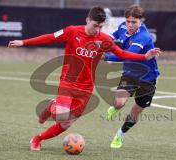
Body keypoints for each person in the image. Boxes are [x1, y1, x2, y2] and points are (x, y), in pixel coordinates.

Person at [8, 6, 161, 151]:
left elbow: (122, 54)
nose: (98, 30)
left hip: (86, 87)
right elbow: (50, 37)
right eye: (95, 26)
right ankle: (51, 107)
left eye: (101, 27)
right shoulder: (72, 31)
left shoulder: (104, 39)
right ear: (87, 20)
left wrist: (144, 56)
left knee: (67, 123)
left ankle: (37, 139)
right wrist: (24, 42)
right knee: (61, 116)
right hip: (68, 81)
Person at [104, 5, 160, 149]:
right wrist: (98, 42)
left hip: (148, 78)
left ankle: (120, 134)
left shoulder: (143, 36)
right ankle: (115, 108)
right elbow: (109, 37)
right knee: (118, 103)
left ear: (142, 21)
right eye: (128, 21)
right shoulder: (123, 26)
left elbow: (127, 55)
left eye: (134, 22)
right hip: (130, 74)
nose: (130, 25)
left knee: (135, 111)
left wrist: (105, 56)